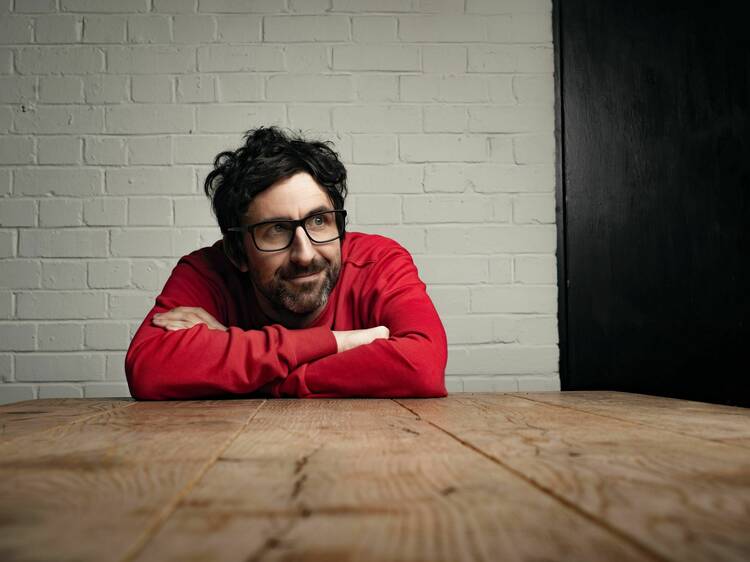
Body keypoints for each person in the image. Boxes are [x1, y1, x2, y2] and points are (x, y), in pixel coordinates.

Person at [125, 127, 447, 399]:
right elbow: (149, 368)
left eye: (320, 221)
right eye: (276, 230)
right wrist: (341, 341)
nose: (305, 254)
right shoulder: (206, 272)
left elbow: (422, 367)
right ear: (237, 252)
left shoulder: (380, 262)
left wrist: (257, 370)